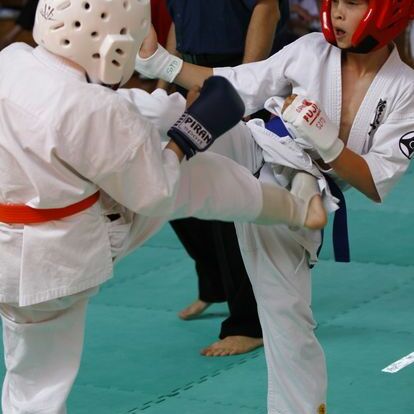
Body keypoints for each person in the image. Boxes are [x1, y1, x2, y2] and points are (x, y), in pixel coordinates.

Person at [0, 0, 329, 412]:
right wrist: (189, 135)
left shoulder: (11, 60)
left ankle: (177, 110)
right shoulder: (92, 109)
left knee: (29, 376)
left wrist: (175, 111)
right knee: (192, 177)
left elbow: (96, 112)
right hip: (62, 253)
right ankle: (298, 210)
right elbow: (155, 191)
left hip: (10, 249)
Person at [135, 0, 414, 412]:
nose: (337, 13)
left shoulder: (406, 90)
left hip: (300, 192)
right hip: (254, 145)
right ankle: (93, 156)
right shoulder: (310, 51)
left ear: (388, 10)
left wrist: (329, 144)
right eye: (334, 1)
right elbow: (232, 82)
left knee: (287, 318)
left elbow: (374, 181)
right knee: (172, 114)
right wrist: (160, 62)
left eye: (351, 3)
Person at [161, 0, 287, 358]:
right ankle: (215, 279)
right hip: (188, 70)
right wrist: (165, 79)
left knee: (231, 195)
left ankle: (249, 322)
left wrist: (241, 91)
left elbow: (267, 8)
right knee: (169, 181)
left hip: (238, 69)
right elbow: (179, 16)